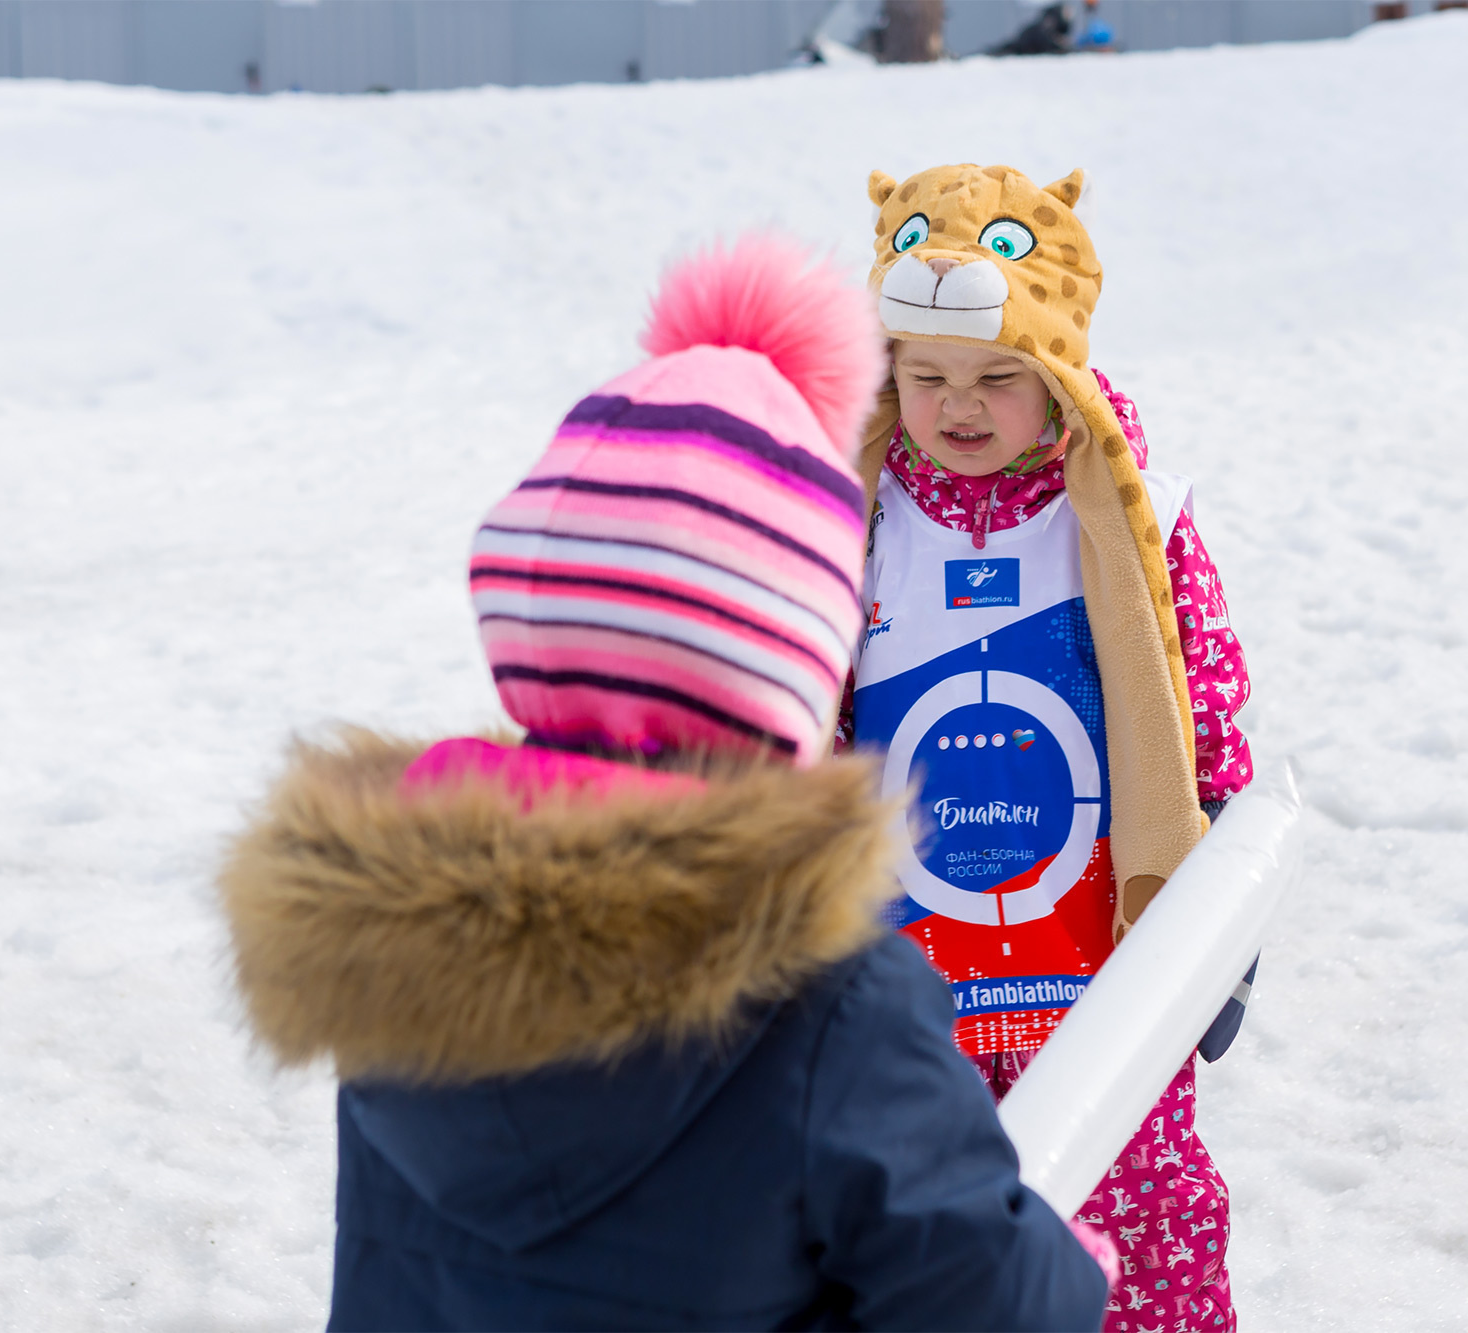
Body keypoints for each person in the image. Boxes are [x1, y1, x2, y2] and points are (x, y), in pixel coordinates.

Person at [215, 237, 1115, 1332]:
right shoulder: (828, 1001)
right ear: (792, 663)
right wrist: (1059, 1261)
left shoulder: (389, 954)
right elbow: (990, 1303)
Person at [844, 164, 1254, 1333]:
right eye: (925, 376)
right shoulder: (857, 522)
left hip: (1098, 963)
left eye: (995, 378)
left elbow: (1203, 714)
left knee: (1136, 1224)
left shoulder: (1134, 522)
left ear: (1057, 375)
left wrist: (1214, 916)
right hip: (905, 984)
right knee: (918, 1238)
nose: (955, 406)